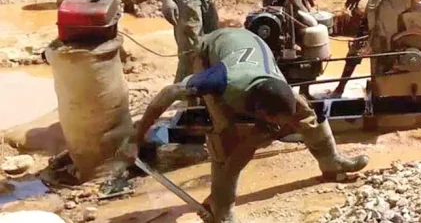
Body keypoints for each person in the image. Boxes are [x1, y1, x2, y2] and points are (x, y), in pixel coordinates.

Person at [122, 28, 369, 223]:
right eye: (272, 122)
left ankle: (331, 161)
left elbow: (266, 131)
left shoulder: (278, 87)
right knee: (225, 138)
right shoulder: (220, 80)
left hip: (253, 50)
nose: (277, 129)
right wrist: (135, 139)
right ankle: (223, 207)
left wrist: (263, 134)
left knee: (304, 112)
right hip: (212, 52)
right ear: (260, 111)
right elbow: (168, 93)